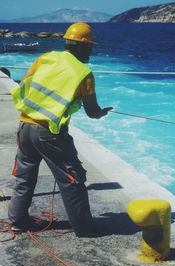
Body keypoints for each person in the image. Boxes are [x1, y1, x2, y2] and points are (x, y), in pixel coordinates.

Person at [8, 22, 112, 237]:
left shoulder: (45, 58)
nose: (91, 51)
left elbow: (25, 85)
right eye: (90, 46)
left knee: (24, 177)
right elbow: (92, 111)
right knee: (72, 179)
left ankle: (18, 223)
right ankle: (85, 229)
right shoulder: (84, 73)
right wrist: (102, 112)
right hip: (49, 133)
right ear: (81, 46)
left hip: (25, 125)